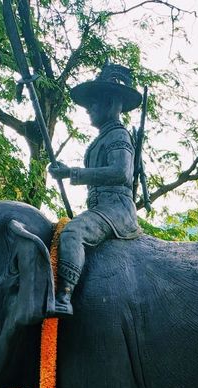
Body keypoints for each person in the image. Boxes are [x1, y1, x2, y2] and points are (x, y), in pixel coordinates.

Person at [48, 63, 142, 317]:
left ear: (111, 104)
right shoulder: (102, 138)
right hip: (101, 208)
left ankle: (64, 296)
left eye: (95, 103)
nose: (89, 110)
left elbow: (121, 173)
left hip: (116, 210)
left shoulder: (118, 136)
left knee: (73, 233)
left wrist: (71, 173)